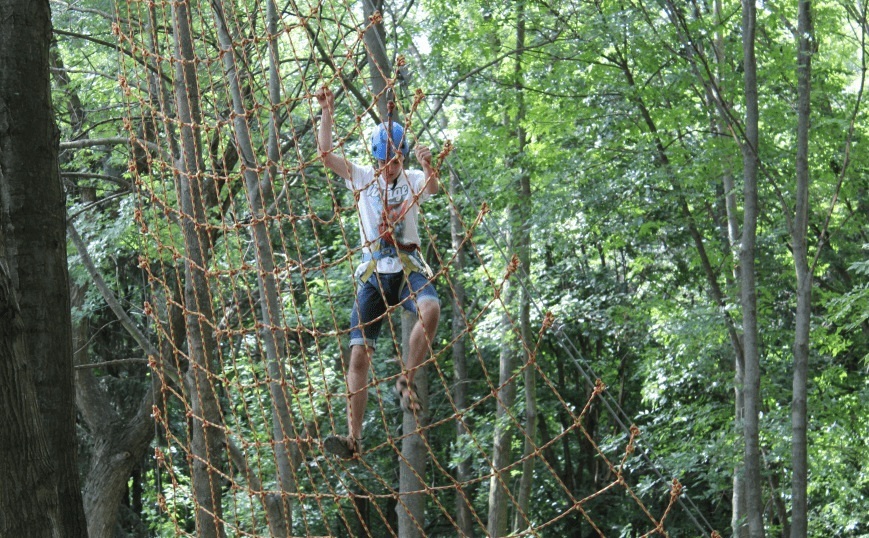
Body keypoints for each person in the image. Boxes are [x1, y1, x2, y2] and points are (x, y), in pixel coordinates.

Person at [314, 86, 441, 459]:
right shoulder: (361, 177)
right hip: (373, 275)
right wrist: (326, 112)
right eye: (385, 164)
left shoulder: (413, 178)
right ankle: (352, 439)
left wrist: (428, 163)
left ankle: (407, 377)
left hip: (405, 269)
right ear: (375, 160)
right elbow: (325, 155)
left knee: (431, 309)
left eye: (397, 163)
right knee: (357, 357)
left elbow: (431, 186)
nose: (391, 170)